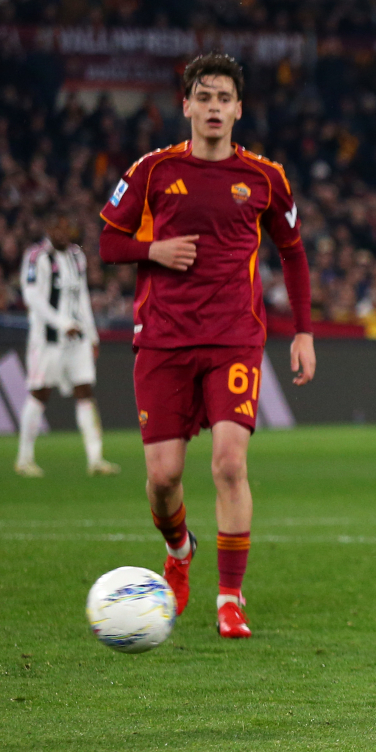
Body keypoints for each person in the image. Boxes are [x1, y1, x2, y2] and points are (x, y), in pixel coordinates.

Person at [97, 53, 316, 639]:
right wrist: (154, 251)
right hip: (163, 339)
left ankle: (229, 597)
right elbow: (108, 243)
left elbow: (293, 253)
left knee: (228, 462)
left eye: (224, 98)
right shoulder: (153, 171)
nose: (214, 107)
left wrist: (303, 331)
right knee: (164, 477)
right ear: (187, 106)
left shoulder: (267, 178)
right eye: (205, 97)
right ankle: (179, 549)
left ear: (238, 110)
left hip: (234, 339)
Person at [15, 213, 120, 477]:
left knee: (85, 391)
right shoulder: (36, 256)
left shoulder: (77, 256)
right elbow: (32, 297)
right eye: (57, 228)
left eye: (66, 228)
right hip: (47, 340)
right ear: (49, 229)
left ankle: (95, 459)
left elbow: (82, 296)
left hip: (78, 339)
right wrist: (62, 323)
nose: (62, 234)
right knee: (40, 393)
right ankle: (24, 458)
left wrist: (93, 334)